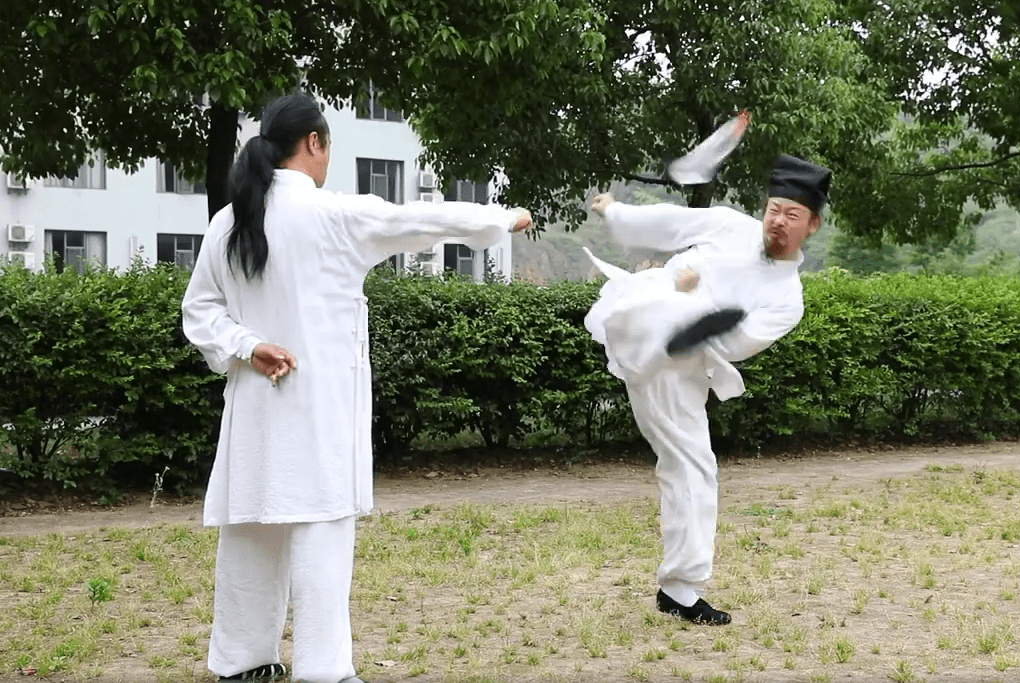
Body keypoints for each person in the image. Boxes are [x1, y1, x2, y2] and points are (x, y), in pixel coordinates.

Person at [181, 93, 532, 683]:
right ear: (314, 142)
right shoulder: (332, 215)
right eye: (328, 148)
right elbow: (416, 219)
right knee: (320, 538)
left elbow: (199, 311)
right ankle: (324, 672)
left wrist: (248, 345)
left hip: (255, 410)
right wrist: (499, 220)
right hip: (317, 412)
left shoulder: (229, 221)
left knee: (250, 533)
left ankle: (243, 664)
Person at [583, 152, 831, 625]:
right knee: (692, 471)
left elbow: (734, 344)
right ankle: (680, 591)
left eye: (792, 215)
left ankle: (678, 586)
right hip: (643, 318)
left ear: (812, 225)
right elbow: (673, 223)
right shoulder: (729, 226)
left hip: (680, 367)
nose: (777, 221)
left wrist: (696, 299)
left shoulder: (786, 300)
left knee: (688, 470)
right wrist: (616, 212)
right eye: (774, 209)